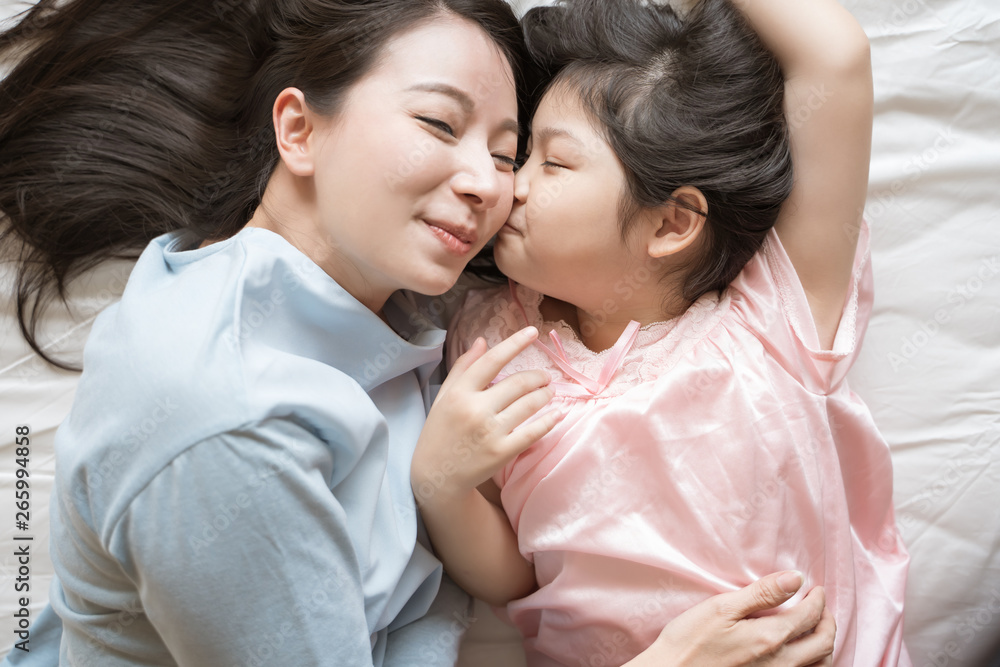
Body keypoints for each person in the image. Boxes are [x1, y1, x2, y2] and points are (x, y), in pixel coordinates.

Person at [0, 0, 833, 664]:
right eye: (440, 123)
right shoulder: (224, 419)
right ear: (298, 129)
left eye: (509, 155)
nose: (488, 185)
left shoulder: (405, 305)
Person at [412, 0, 906, 665]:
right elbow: (518, 577)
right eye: (521, 155)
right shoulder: (492, 341)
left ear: (672, 224)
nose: (511, 185)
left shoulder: (772, 319)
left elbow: (835, 59)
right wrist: (442, 486)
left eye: (552, 164)